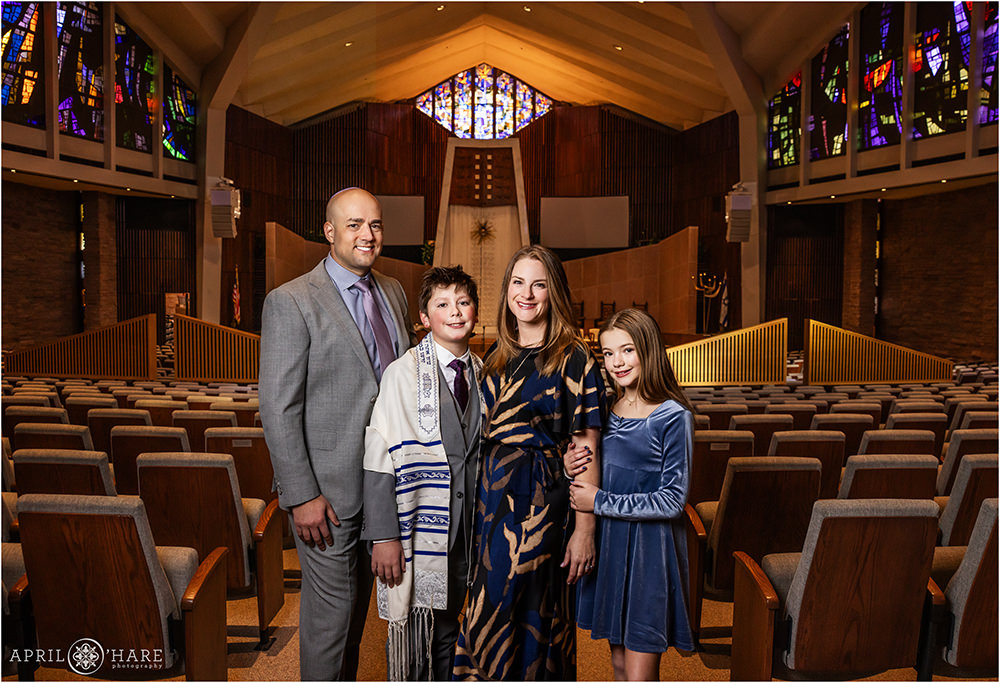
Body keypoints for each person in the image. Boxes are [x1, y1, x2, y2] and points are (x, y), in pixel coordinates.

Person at [259, 187, 414, 681]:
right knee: (331, 623)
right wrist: (301, 495)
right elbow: (278, 407)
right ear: (329, 232)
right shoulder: (291, 301)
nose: (367, 236)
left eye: (375, 225)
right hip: (327, 495)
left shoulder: (393, 291)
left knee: (358, 618)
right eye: (354, 225)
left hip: (387, 485)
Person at [453, 244, 607, 681]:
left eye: (539, 284)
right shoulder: (495, 357)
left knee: (529, 611)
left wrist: (585, 529)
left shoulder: (574, 357)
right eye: (518, 283)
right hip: (491, 501)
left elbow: (588, 444)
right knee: (492, 605)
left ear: (553, 292)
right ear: (506, 292)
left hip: (540, 501)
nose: (527, 293)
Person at [363, 265, 483, 681]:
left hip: (469, 532)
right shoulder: (402, 374)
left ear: (476, 312)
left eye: (464, 302)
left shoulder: (485, 374)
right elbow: (379, 455)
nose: (455, 312)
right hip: (419, 530)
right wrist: (384, 535)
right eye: (443, 304)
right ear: (425, 317)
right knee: (418, 638)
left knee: (453, 631)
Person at [566, 308, 695, 682]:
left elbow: (672, 500)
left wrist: (599, 502)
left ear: (648, 350)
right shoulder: (607, 407)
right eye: (607, 354)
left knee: (639, 673)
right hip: (613, 546)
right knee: (620, 665)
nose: (616, 363)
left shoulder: (673, 416)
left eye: (627, 350)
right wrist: (568, 464)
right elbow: (594, 469)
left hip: (649, 552)